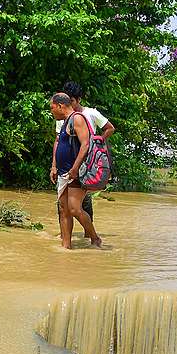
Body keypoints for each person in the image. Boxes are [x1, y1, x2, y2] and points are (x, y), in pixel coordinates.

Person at [53, 81, 115, 225]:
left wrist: (98, 140)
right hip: (66, 166)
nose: (70, 105)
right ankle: (65, 239)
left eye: (72, 101)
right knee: (63, 206)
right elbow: (57, 141)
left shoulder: (90, 113)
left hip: (85, 167)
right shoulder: (63, 116)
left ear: (79, 99)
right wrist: (54, 166)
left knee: (83, 204)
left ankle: (91, 237)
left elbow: (109, 128)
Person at [49, 92, 102, 249]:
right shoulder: (66, 122)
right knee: (64, 209)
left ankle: (95, 238)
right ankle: (66, 247)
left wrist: (75, 168)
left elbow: (85, 144)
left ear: (60, 106)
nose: (51, 112)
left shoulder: (77, 118)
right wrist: (55, 166)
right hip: (64, 172)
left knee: (74, 208)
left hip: (76, 172)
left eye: (52, 108)